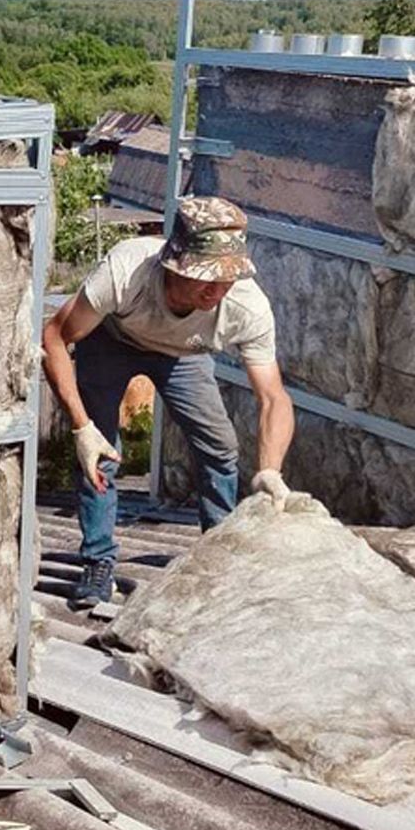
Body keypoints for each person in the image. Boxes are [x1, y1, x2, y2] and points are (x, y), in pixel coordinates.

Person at [42, 196, 295, 608]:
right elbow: (55, 336)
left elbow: (273, 397)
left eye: (226, 279)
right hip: (112, 340)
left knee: (220, 446)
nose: (216, 290)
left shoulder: (246, 306)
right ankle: (97, 562)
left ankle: (219, 556)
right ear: (174, 263)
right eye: (205, 277)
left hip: (183, 356)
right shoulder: (126, 270)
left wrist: (270, 470)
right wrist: (80, 427)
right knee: (99, 451)